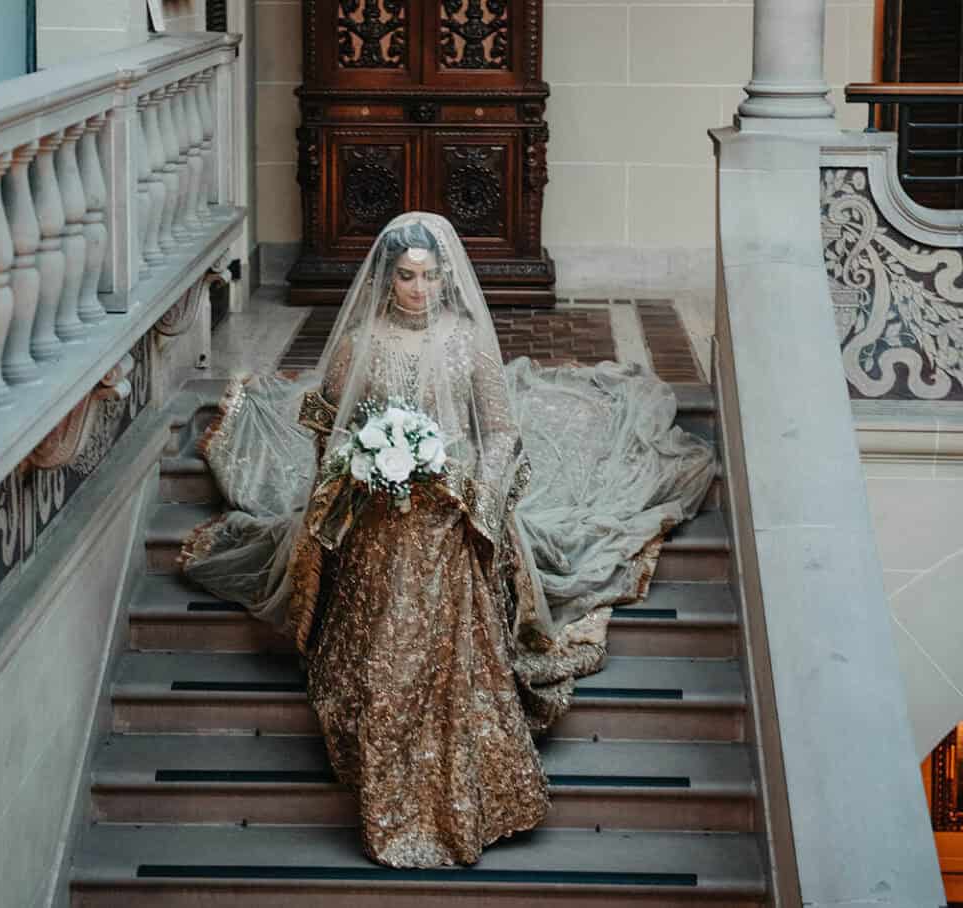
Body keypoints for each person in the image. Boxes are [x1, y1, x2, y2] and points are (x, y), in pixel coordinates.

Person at [181, 212, 716, 869]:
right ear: (387, 277)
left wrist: (478, 491)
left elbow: (499, 432)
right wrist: (360, 460)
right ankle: (386, 797)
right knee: (380, 660)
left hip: (450, 522)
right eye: (405, 276)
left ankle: (460, 797)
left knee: (442, 656)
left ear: (445, 278)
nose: (417, 288)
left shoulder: (466, 342)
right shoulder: (361, 344)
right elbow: (326, 421)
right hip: (377, 523)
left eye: (429, 276)